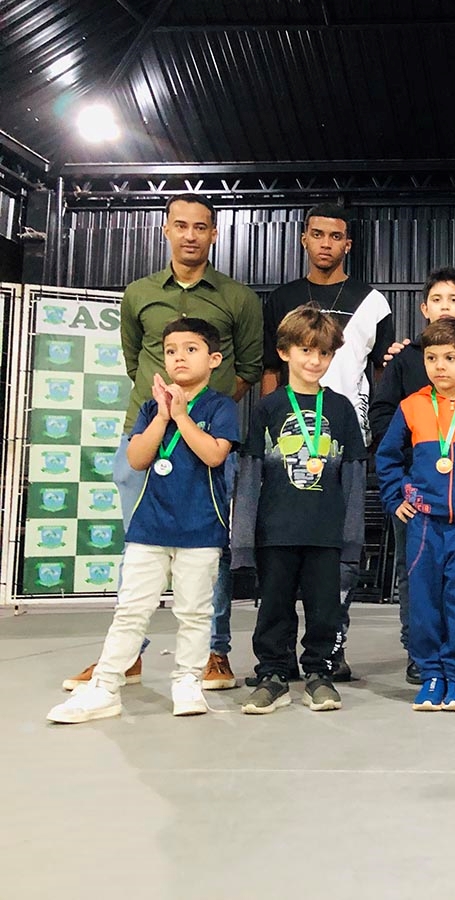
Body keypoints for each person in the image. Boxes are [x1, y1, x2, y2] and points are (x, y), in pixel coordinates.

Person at [62, 194, 262, 694]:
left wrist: (200, 410)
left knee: (210, 549)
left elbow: (249, 369)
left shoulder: (238, 298)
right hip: (146, 433)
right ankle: (127, 655)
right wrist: (164, 411)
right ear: (166, 230)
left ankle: (214, 652)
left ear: (214, 234)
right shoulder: (139, 293)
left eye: (200, 226)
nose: (190, 234)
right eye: (181, 225)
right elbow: (136, 361)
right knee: (138, 546)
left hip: (205, 438)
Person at [48, 319, 239, 723]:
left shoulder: (221, 407)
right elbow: (136, 459)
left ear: (214, 359)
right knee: (131, 609)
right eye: (171, 351)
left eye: (191, 349)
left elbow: (214, 455)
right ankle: (105, 687)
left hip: (200, 528)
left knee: (194, 612)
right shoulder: (152, 408)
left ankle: (187, 681)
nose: (179, 357)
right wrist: (163, 417)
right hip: (149, 527)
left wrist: (182, 416)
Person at [256, 203, 394, 684]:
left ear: (347, 244)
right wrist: (270, 421)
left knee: (335, 552)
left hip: (343, 436)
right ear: (304, 239)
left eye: (336, 236)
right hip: (288, 440)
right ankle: (277, 661)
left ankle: (332, 649)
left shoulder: (372, 301)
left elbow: (382, 370)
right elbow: (269, 371)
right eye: (317, 234)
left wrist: (374, 428)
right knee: (282, 556)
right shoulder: (282, 298)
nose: (326, 243)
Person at [369, 266, 455, 685]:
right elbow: (384, 422)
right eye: (437, 299)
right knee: (418, 581)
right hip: (420, 499)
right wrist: (400, 488)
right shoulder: (405, 361)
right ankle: (421, 655)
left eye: (454, 300)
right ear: (423, 307)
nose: (440, 366)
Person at [233, 304, 367, 715]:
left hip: (325, 532)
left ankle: (319, 673)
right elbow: (250, 474)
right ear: (285, 351)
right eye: (306, 350)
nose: (315, 360)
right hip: (275, 531)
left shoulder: (341, 409)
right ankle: (273, 675)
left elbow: (354, 476)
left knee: (325, 610)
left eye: (324, 352)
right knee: (273, 607)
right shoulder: (268, 408)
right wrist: (243, 540)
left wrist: (351, 538)